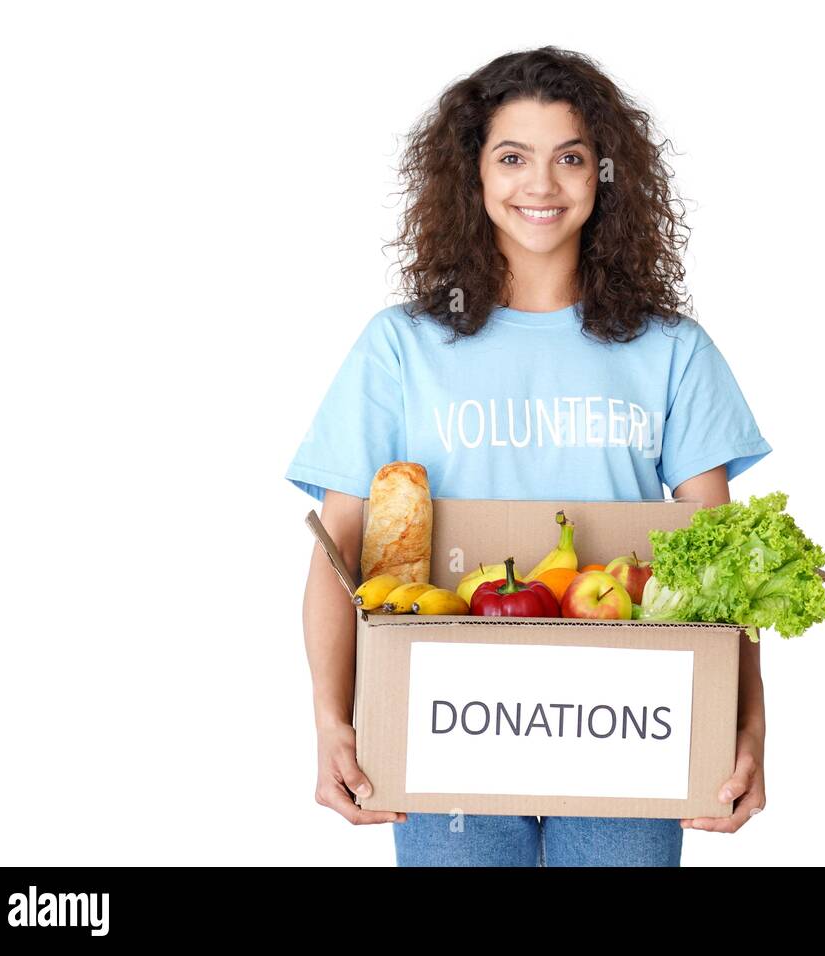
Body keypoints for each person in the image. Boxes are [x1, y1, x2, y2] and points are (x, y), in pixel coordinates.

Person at [286, 46, 772, 867]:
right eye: (512, 157)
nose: (540, 185)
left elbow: (723, 562)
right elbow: (340, 545)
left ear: (605, 176)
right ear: (471, 176)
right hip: (444, 723)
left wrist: (747, 727)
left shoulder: (672, 351)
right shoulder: (401, 348)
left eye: (571, 158)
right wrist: (333, 722)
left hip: (631, 720)